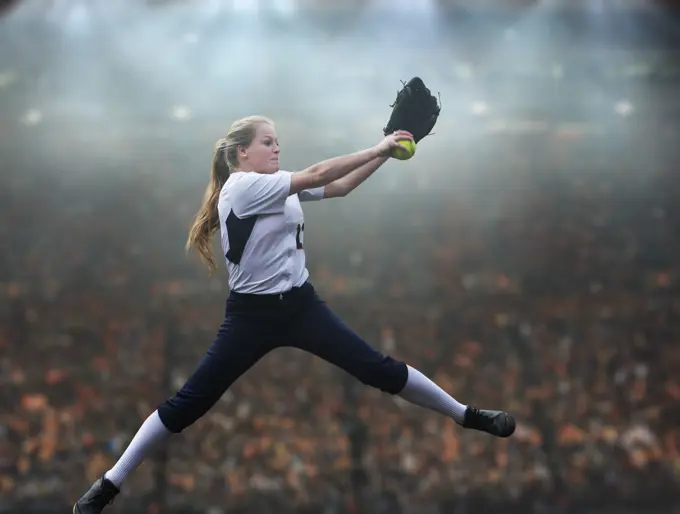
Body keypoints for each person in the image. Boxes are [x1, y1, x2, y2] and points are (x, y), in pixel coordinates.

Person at [73, 115, 515, 514]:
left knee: (376, 367)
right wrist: (379, 146)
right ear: (241, 152)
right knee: (190, 403)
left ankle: (465, 414)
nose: (276, 148)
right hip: (252, 316)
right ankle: (110, 483)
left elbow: (339, 185)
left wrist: (387, 149)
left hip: (301, 304)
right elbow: (321, 173)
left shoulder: (277, 183)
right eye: (267, 142)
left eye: (278, 142)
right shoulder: (242, 186)